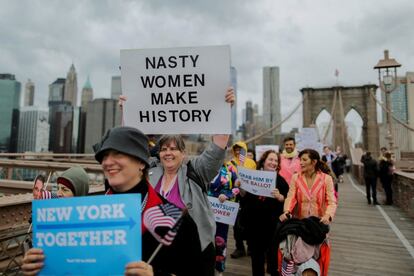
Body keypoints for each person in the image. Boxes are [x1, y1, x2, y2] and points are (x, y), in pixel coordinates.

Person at [147, 88, 234, 276]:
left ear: (183, 153)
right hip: (157, 252)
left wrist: (224, 108)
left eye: (173, 149)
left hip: (195, 251)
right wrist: (127, 111)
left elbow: (218, 144)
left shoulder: (196, 171)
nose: (168, 153)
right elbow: (129, 152)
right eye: (163, 149)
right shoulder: (150, 172)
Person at [22, 166, 90, 275]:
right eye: (58, 188)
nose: (58, 193)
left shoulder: (90, 226)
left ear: (78, 193)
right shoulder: (54, 218)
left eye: (64, 190)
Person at [279, 149, 337, 276]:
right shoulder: (296, 177)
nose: (301, 163)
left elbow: (332, 201)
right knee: (298, 257)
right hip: (301, 225)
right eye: (300, 160)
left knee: (317, 257)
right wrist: (287, 211)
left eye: (304, 160)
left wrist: (328, 215)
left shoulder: (326, 179)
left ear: (314, 162)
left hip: (318, 225)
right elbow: (291, 197)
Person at [242, 150, 289, 276]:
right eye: (270, 159)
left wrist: (280, 197)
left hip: (272, 227)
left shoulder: (281, 181)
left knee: (273, 259)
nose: (273, 162)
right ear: (263, 161)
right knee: (256, 258)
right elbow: (243, 198)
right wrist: (241, 186)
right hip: (254, 225)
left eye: (276, 160)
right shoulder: (252, 176)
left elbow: (288, 202)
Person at [208, 162, 239, 276]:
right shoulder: (205, 165)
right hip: (205, 210)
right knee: (204, 239)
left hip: (221, 212)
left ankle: (219, 269)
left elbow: (237, 188)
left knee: (220, 241)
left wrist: (228, 195)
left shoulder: (230, 169)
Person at [227, 141, 256, 259]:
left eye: (241, 149)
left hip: (249, 196)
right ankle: (239, 247)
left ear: (245, 150)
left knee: (250, 222)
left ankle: (250, 246)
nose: (239, 152)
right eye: (236, 149)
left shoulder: (252, 163)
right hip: (235, 195)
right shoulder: (229, 163)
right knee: (235, 223)